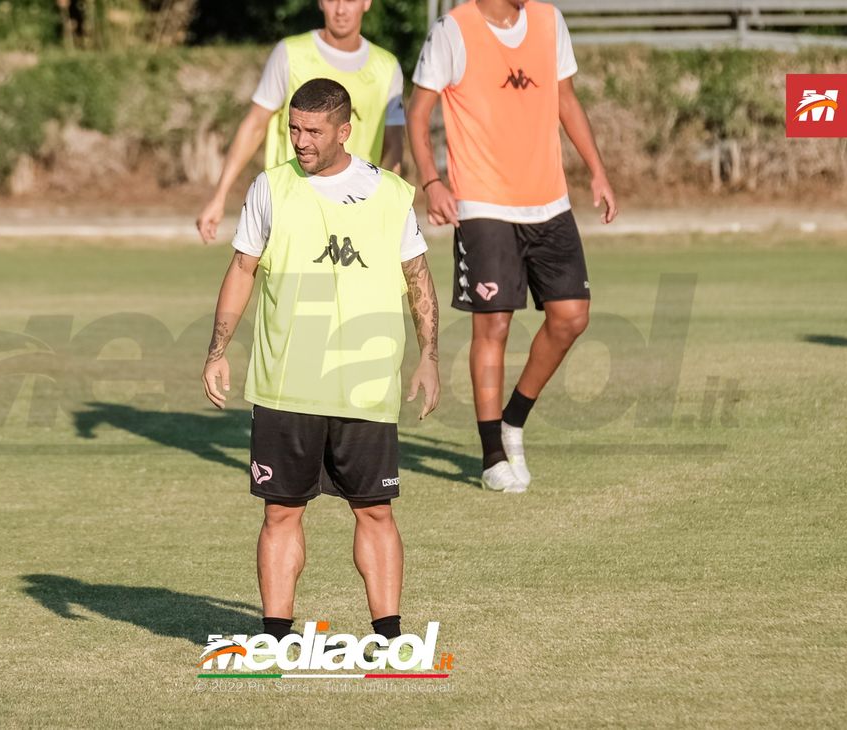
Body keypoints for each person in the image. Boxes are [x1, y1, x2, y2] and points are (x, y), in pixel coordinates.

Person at [202, 79, 440, 646]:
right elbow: (241, 269)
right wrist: (217, 351)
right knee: (281, 514)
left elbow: (418, 280)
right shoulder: (271, 188)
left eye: (313, 131)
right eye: (293, 128)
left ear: (344, 130)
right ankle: (275, 639)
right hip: (287, 386)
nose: (300, 140)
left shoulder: (391, 194)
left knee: (376, 512)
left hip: (365, 385)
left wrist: (429, 355)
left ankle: (389, 641)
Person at [408, 0, 618, 493]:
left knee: (572, 315)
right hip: (483, 204)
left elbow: (565, 98)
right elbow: (419, 113)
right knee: (495, 324)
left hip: (550, 202)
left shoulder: (549, 21)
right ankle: (492, 455)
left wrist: (598, 170)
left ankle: (513, 419)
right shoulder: (452, 30)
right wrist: (432, 181)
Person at [195, 0, 406, 244]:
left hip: (356, 211)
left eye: (349, 0)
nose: (340, 9)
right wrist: (219, 196)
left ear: (367, 3)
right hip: (291, 207)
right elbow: (254, 125)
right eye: (332, 0)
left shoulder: (387, 67)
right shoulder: (290, 53)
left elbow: (394, 147)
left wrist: (387, 205)